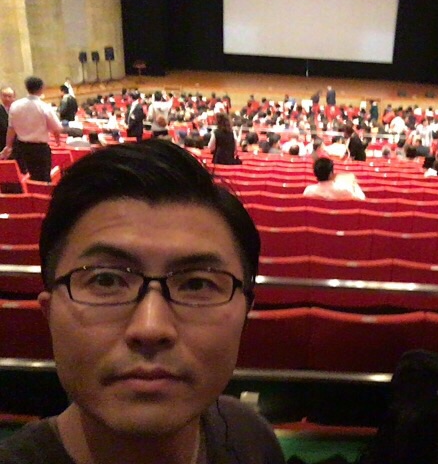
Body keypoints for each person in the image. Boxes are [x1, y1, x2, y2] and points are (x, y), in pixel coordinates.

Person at [0, 141, 285, 464]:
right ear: (50, 314)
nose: (151, 328)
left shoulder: (250, 437)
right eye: (106, 281)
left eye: (196, 284)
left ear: (245, 314)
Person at [0, 76, 62, 181]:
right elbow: (57, 129)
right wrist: (57, 141)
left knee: (26, 176)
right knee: (43, 178)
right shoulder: (44, 107)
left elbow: (11, 128)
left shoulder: (15, 105)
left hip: (21, 148)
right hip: (40, 149)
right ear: (41, 89)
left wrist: (8, 146)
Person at [0, 86, 16, 153]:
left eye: (9, 96)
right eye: (4, 96)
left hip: (16, 146)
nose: (7, 99)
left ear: (14, 97)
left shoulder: (18, 110)